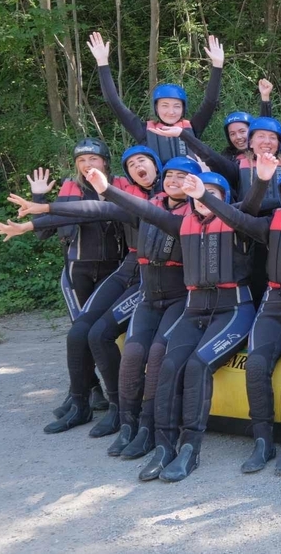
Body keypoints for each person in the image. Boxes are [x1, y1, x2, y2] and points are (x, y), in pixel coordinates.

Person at [91, 167, 260, 482]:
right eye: (197, 194)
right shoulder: (183, 224)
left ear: (224, 199)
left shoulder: (239, 223)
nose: (202, 199)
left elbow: (250, 205)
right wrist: (107, 189)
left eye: (211, 194)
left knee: (197, 365)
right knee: (168, 365)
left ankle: (189, 450)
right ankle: (163, 446)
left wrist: (261, 178)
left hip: (233, 310)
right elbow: (146, 211)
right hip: (195, 310)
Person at [0, 144, 158, 435]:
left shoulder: (150, 195)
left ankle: (119, 408)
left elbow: (100, 208)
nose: (88, 163)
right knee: (78, 333)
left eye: (94, 158)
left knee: (98, 334)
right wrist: (35, 212)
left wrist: (42, 208)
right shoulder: (123, 192)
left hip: (144, 275)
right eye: (132, 165)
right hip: (112, 271)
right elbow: (84, 212)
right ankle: (81, 402)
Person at [187, 161, 281, 477]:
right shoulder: (271, 223)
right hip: (275, 301)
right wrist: (204, 196)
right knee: (255, 365)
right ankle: (262, 441)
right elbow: (236, 218)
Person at [88, 31, 224, 162]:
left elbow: (210, 102)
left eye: (177, 106)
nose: (171, 111)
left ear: (183, 109)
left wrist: (217, 65)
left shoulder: (192, 128)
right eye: (165, 105)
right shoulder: (143, 131)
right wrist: (102, 62)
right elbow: (113, 101)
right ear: (156, 108)